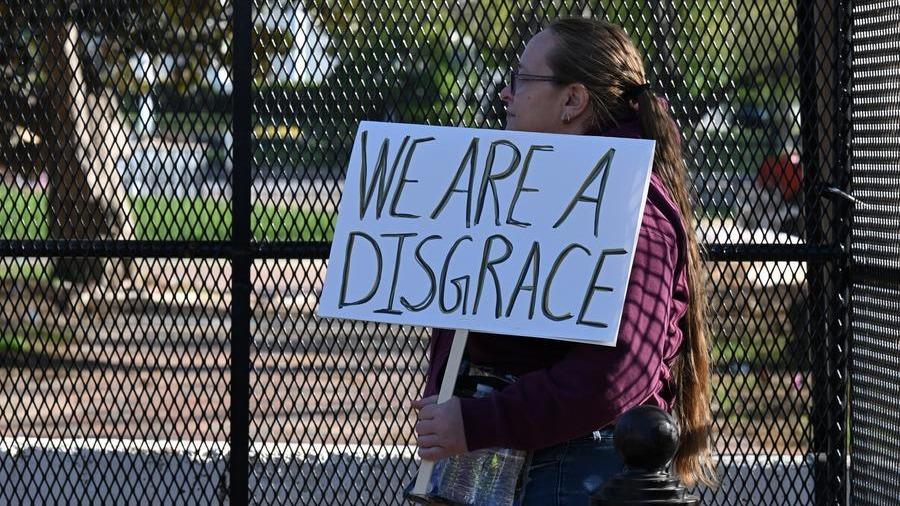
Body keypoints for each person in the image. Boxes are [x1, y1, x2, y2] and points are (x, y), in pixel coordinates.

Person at [412, 17, 717, 504]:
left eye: (520, 79)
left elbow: (615, 373)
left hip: (578, 469)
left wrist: (476, 422)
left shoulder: (629, 206)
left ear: (573, 101)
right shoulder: (525, 188)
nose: (505, 95)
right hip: (510, 462)